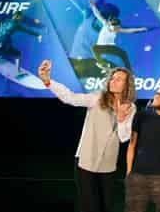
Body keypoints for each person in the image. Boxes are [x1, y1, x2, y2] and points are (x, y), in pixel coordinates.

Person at [38, 60, 137, 212]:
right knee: (89, 206)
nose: (113, 81)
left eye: (118, 79)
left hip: (108, 165)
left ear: (127, 85)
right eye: (112, 77)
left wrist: (121, 119)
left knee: (107, 206)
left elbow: (124, 138)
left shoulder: (130, 107)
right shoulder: (97, 98)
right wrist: (47, 81)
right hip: (86, 161)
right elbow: (70, 97)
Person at [125, 85, 160, 212]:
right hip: (137, 176)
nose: (156, 96)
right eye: (156, 93)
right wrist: (129, 173)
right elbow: (131, 145)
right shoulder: (141, 116)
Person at [89, 0, 148, 72]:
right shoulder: (105, 24)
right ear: (110, 24)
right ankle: (103, 64)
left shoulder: (118, 29)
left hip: (109, 47)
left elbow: (129, 30)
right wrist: (93, 6)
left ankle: (129, 70)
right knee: (94, 48)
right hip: (100, 47)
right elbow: (97, 14)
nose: (114, 29)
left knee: (123, 53)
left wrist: (140, 29)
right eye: (113, 27)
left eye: (116, 28)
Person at [0, 11, 43, 77]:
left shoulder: (5, 20)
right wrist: (37, 35)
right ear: (18, 17)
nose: (20, 19)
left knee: (8, 42)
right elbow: (27, 30)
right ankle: (17, 73)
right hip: (2, 45)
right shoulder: (16, 25)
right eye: (20, 18)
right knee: (18, 54)